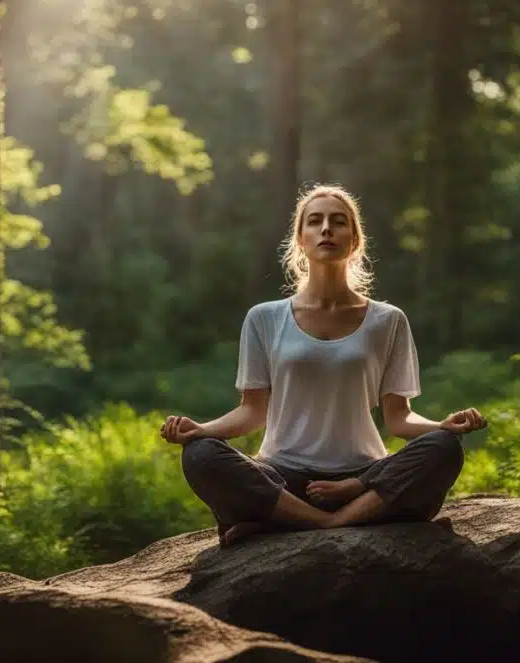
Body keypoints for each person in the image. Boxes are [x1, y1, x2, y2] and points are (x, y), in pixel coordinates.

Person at [159, 184, 487, 547]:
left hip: (364, 477)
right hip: (282, 479)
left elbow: (399, 418)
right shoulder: (264, 318)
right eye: (314, 222)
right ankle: (334, 521)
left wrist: (440, 426)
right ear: (300, 240)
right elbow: (251, 413)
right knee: (201, 455)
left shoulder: (388, 320)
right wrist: (200, 430)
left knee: (443, 447)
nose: (326, 229)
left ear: (356, 239)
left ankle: (299, 522)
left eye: (338, 222)